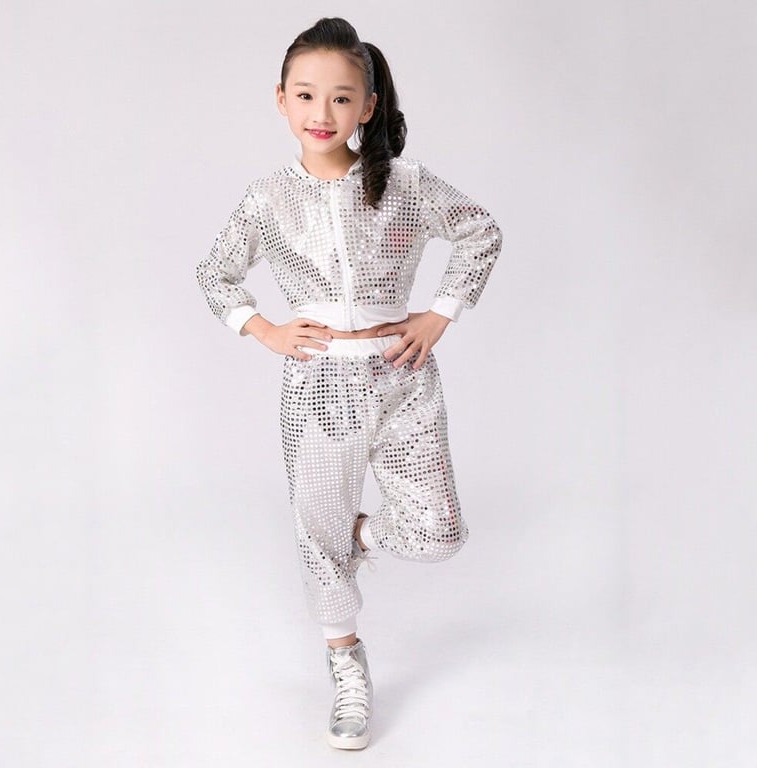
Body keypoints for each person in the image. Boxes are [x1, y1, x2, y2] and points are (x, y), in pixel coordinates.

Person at [196, 16, 502, 750]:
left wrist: (441, 313)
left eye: (340, 97)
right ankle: (346, 663)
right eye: (305, 95)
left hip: (402, 376)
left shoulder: (405, 185)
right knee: (316, 536)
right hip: (317, 389)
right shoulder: (268, 199)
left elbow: (480, 230)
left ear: (367, 105)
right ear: (281, 100)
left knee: (437, 534)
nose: (322, 113)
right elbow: (215, 273)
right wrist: (265, 329)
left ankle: (357, 533)